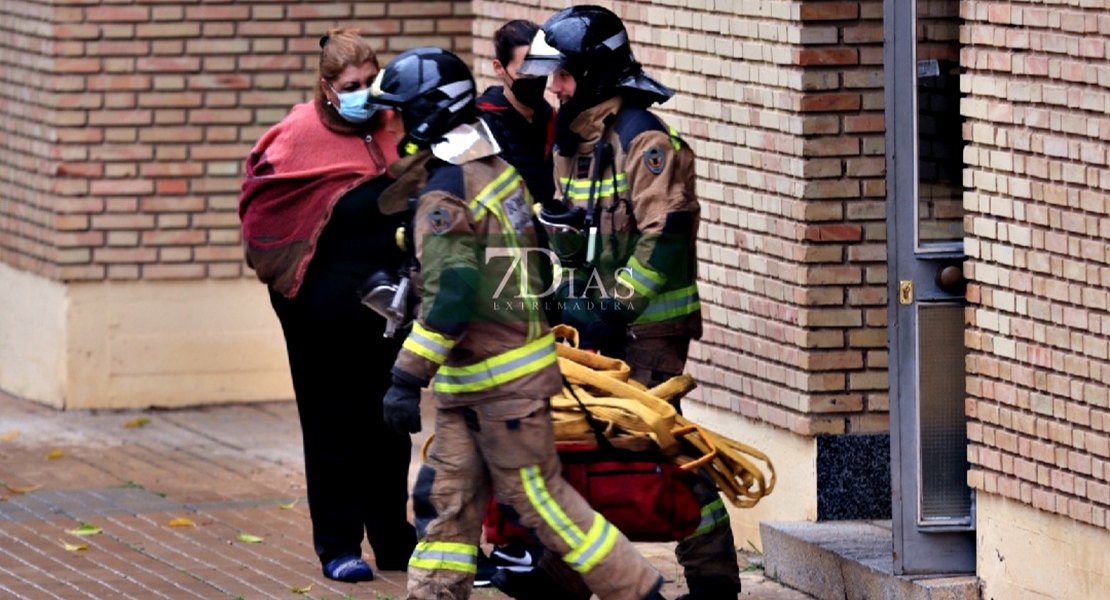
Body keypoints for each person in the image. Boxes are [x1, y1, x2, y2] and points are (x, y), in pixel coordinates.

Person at [367, 46, 671, 600]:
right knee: (447, 506)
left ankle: (641, 592)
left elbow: (453, 298)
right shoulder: (493, 170)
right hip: (481, 385)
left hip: (501, 390)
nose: (398, 126)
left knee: (544, 504)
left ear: (430, 112)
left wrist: (406, 377)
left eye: (403, 112)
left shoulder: (446, 193)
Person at [511, 6, 743, 600]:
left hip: (648, 328)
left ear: (594, 72)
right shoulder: (574, 139)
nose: (553, 88)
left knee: (658, 444)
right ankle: (563, 575)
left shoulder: (644, 139)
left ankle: (713, 581)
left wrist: (612, 309)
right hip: (595, 323)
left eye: (562, 75)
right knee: (591, 442)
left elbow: (664, 237)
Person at [237, 28, 417, 583]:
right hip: (320, 310)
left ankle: (393, 539)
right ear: (327, 88)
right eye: (351, 85)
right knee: (333, 427)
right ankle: (338, 545)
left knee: (389, 425)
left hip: (387, 309)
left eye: (371, 82)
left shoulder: (397, 124)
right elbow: (262, 209)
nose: (364, 92)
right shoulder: (297, 133)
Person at [473, 17, 557, 587]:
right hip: (500, 294)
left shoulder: (557, 120)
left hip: (552, 287)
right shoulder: (482, 125)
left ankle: (528, 538)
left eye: (542, 66)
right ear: (500, 68)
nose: (534, 77)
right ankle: (497, 540)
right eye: (523, 65)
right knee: (494, 420)